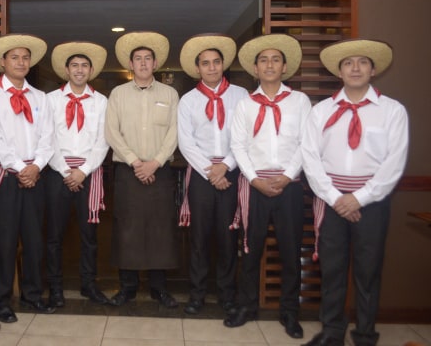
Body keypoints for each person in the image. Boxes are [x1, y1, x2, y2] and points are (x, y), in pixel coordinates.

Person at [301, 40, 409, 346]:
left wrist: (358, 198)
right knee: (332, 270)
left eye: (363, 62)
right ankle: (332, 333)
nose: (356, 68)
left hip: (372, 202)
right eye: (348, 63)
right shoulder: (321, 111)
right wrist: (336, 198)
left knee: (368, 272)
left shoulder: (392, 111)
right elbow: (310, 158)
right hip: (331, 200)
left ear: (373, 70)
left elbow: (394, 163)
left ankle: (364, 335)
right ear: (340, 72)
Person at [225, 33, 311, 339]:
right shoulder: (245, 104)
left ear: (285, 67)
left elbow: (307, 143)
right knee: (251, 249)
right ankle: (247, 307)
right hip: (255, 185)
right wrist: (254, 179)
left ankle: (289, 312)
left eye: (276, 60)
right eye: (264, 60)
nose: (270, 65)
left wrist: (287, 176)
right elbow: (238, 145)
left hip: (290, 185)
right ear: (255, 69)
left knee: (290, 251)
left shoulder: (300, 101)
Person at [0, 33, 56, 323]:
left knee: (35, 240)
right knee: (4, 241)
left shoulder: (40, 97)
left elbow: (48, 136)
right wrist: (20, 168)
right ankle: (0, 301)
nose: (21, 62)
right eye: (15, 57)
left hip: (35, 175)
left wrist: (35, 167)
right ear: (3, 61)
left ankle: (32, 295)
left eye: (25, 58)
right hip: (6, 176)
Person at [104, 31, 180, 308]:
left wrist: (155, 162)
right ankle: (127, 287)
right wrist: (136, 162)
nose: (144, 63)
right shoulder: (118, 94)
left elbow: (175, 132)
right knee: (128, 229)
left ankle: (159, 288)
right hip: (128, 171)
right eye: (138, 59)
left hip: (160, 171)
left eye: (148, 58)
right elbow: (111, 132)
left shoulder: (170, 94)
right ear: (131, 64)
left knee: (161, 229)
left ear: (156, 63)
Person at [176, 34, 248, 315]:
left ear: (223, 64)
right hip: (201, 175)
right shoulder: (188, 101)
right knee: (199, 238)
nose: (211, 67)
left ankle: (227, 295)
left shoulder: (241, 96)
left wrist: (226, 166)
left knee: (228, 238)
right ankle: (197, 295)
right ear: (198, 68)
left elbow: (245, 137)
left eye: (216, 62)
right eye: (205, 63)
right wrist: (211, 172)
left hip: (232, 172)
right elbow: (186, 143)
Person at [45, 41, 110, 307]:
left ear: (91, 70)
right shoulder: (50, 100)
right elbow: (46, 139)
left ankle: (88, 284)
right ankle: (55, 288)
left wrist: (82, 171)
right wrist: (65, 171)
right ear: (66, 70)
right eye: (75, 65)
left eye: (84, 65)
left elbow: (103, 141)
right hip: (57, 172)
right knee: (54, 235)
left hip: (89, 172)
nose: (79, 70)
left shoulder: (101, 101)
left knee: (89, 235)